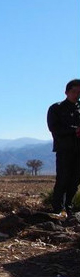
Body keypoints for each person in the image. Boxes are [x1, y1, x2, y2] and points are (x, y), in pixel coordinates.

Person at [47, 79, 80, 216]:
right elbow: (54, 128)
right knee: (63, 178)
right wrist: (75, 130)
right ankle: (57, 208)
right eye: (73, 92)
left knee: (75, 180)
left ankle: (69, 206)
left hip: (79, 150)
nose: (76, 95)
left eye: (79, 92)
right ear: (66, 92)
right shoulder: (56, 108)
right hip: (64, 149)